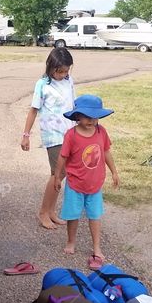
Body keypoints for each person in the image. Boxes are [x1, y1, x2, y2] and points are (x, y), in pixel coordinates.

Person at [53, 94, 120, 270]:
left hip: (95, 184)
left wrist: (114, 171)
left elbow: (106, 152)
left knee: (95, 216)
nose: (91, 120)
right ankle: (71, 241)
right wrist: (58, 176)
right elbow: (62, 156)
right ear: (77, 116)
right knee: (73, 215)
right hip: (75, 183)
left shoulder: (101, 131)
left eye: (95, 116)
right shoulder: (71, 135)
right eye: (87, 116)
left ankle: (97, 247)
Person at [21, 47, 76, 229]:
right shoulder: (43, 84)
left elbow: (73, 106)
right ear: (50, 67)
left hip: (70, 132)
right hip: (53, 134)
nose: (63, 74)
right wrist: (26, 135)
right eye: (59, 71)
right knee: (57, 174)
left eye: (66, 70)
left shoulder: (69, 81)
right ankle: (43, 212)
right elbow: (33, 110)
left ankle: (51, 210)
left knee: (64, 173)